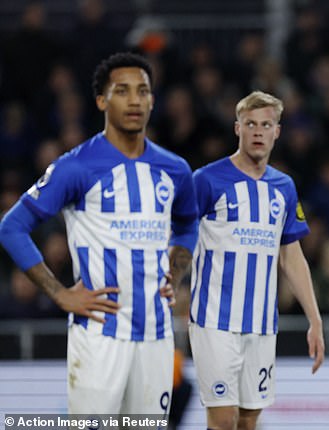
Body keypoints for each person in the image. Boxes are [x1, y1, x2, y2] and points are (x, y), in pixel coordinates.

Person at [0, 52, 199, 416]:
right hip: (99, 334)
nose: (135, 100)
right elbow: (11, 227)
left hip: (157, 336)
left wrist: (177, 271)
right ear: (101, 100)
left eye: (143, 91)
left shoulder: (176, 170)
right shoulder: (76, 166)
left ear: (153, 100)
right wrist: (60, 293)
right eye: (122, 91)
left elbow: (188, 224)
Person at [189, 90, 325, 430]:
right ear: (238, 129)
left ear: (277, 132)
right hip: (214, 321)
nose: (258, 131)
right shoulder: (205, 180)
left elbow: (291, 256)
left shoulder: (284, 187)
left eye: (266, 124)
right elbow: (179, 238)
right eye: (251, 124)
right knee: (222, 419)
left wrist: (315, 319)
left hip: (263, 325)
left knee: (249, 420)